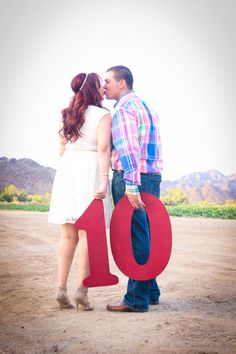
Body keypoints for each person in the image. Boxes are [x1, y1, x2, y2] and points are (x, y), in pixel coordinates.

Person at [48, 73, 112, 311]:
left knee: (67, 236)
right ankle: (81, 293)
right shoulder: (103, 115)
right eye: (100, 85)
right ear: (94, 89)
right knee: (87, 235)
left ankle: (60, 290)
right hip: (90, 172)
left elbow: (61, 148)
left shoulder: (67, 114)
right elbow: (104, 147)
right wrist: (104, 180)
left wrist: (69, 169)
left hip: (67, 172)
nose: (104, 88)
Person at [104, 65, 163, 312]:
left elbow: (129, 149)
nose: (104, 85)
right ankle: (150, 291)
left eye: (108, 80)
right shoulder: (145, 106)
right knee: (145, 232)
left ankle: (135, 300)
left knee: (136, 235)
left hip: (133, 178)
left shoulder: (124, 109)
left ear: (122, 83)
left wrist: (130, 184)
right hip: (152, 177)